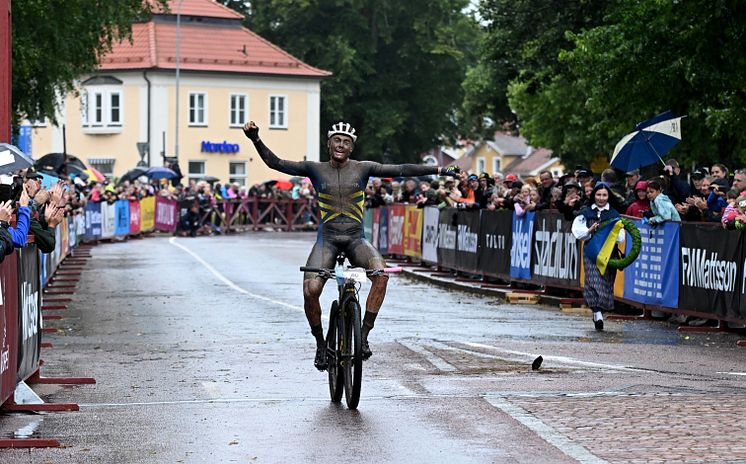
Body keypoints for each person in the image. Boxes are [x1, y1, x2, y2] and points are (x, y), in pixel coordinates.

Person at [242, 120, 459, 370]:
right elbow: (276, 163)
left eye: (346, 142)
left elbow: (401, 168)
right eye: (337, 140)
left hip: (356, 239)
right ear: (328, 143)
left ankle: (363, 336)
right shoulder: (314, 168)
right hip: (328, 240)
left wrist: (441, 171)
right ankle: (321, 345)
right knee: (310, 290)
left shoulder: (363, 168)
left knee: (381, 275)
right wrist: (255, 139)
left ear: (352, 147)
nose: (341, 145)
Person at [571, 183, 625, 331]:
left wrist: (608, 232)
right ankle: (597, 311)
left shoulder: (614, 214)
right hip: (591, 252)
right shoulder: (585, 213)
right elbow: (577, 232)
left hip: (608, 253)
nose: (601, 198)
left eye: (604, 195)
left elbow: (621, 237)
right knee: (592, 280)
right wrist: (590, 230)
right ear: (594, 195)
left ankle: (599, 310)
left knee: (606, 282)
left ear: (609, 197)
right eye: (598, 195)